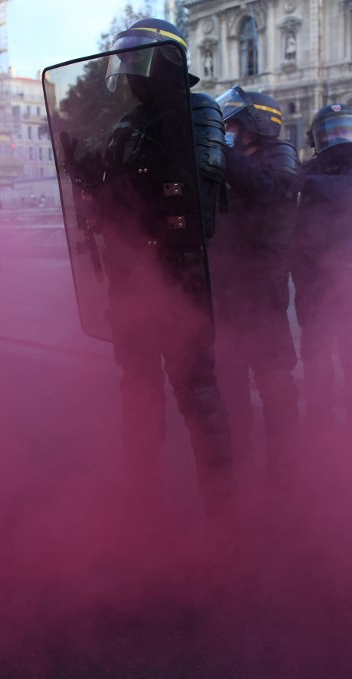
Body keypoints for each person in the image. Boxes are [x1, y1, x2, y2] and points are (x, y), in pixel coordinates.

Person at [60, 18, 236, 517]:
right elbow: (107, 206)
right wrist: (80, 172)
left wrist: (126, 201)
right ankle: (142, 490)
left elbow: (194, 209)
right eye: (125, 60)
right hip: (130, 282)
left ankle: (222, 509)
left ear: (168, 60)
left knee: (196, 391)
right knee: (136, 388)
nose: (130, 71)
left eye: (139, 59)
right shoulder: (126, 126)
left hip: (178, 281)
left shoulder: (198, 112)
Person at [210, 86, 301, 484]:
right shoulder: (231, 160)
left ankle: (284, 469)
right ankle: (240, 459)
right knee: (229, 380)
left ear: (255, 126)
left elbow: (270, 191)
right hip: (226, 289)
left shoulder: (279, 156)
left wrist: (222, 151)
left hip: (260, 291)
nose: (225, 131)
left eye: (230, 125)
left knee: (274, 380)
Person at [294, 103, 352, 431]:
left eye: (344, 129)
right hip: (313, 276)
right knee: (315, 355)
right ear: (316, 138)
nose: (339, 138)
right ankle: (320, 424)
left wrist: (303, 183)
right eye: (330, 132)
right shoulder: (308, 167)